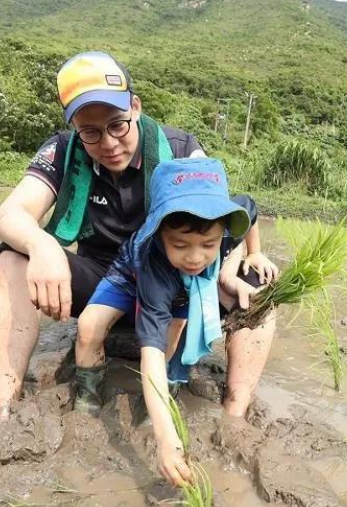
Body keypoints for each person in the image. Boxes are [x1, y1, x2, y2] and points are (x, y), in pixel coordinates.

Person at [0, 50, 275, 422]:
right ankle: (4, 409)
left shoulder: (181, 151)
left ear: (135, 107)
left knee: (260, 284)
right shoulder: (62, 150)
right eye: (90, 131)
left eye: (117, 124)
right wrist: (43, 245)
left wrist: (233, 264)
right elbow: (8, 214)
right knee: (12, 256)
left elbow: (215, 222)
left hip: (171, 283)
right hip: (104, 284)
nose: (108, 143)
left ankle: (234, 414)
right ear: (74, 127)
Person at [74, 158, 278, 487]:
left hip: (181, 287)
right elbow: (149, 353)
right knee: (88, 329)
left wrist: (253, 252)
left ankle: (161, 398)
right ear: (159, 232)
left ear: (223, 229)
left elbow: (249, 208)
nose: (195, 257)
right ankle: (86, 399)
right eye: (180, 245)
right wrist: (167, 441)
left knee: (174, 336)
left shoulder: (224, 223)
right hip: (128, 276)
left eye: (208, 245)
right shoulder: (155, 264)